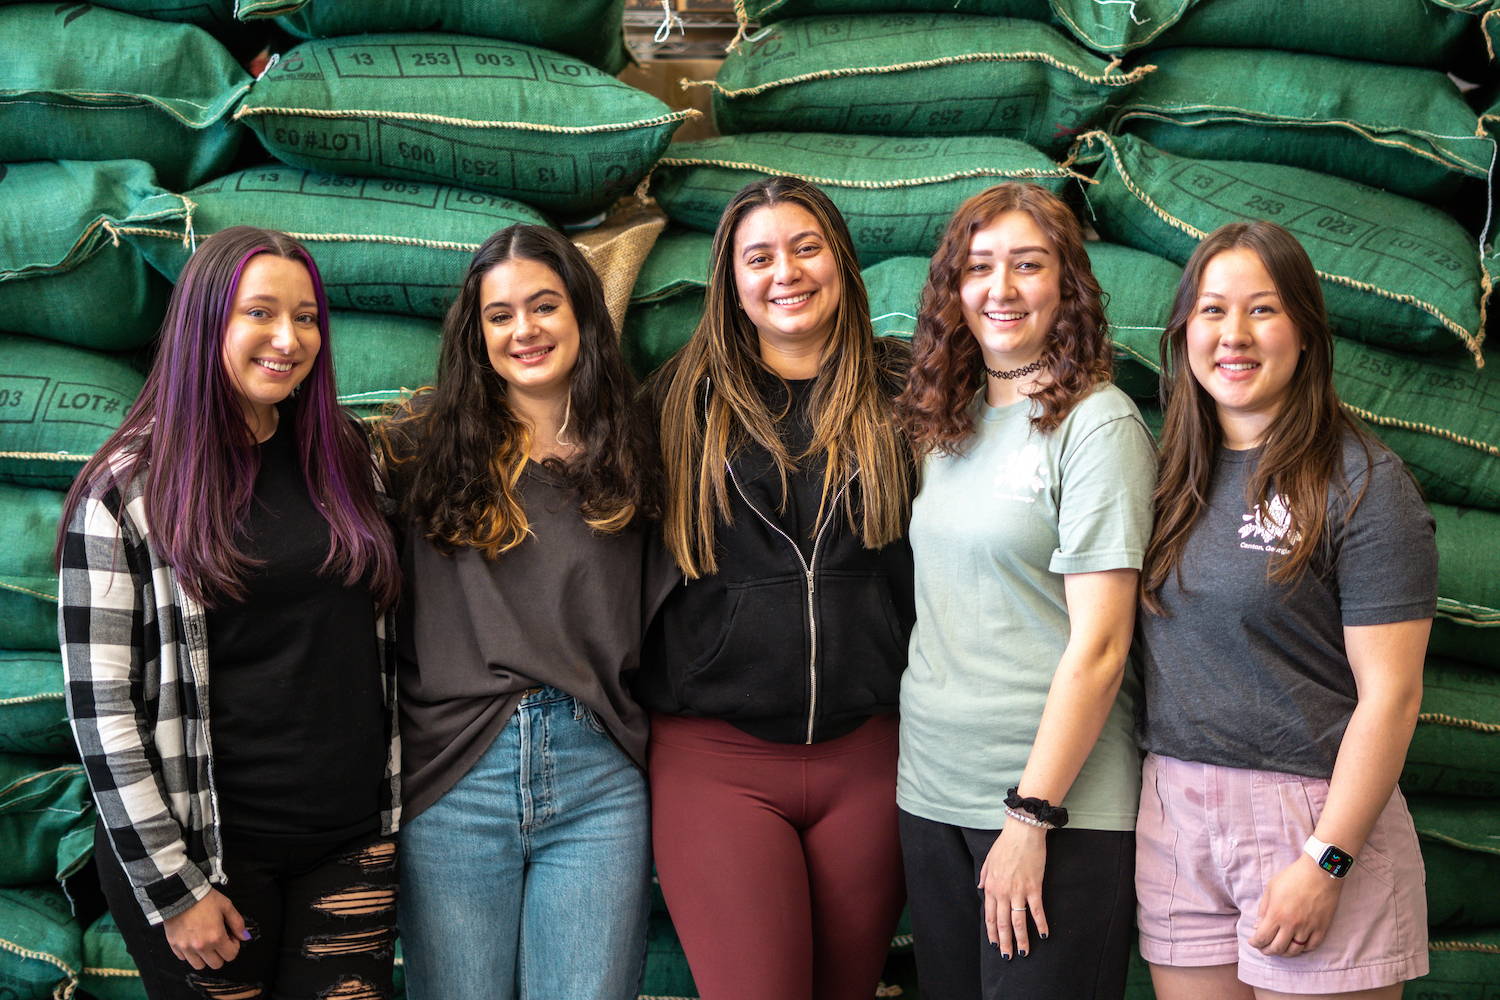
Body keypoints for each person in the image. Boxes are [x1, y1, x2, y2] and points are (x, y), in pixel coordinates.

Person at [58, 226, 403, 1000]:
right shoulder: (125, 490)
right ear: (206, 322)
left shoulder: (350, 460)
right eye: (261, 313)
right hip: (207, 852)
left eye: (308, 317)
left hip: (349, 842)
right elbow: (101, 711)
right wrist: (173, 888)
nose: (289, 339)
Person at [1134, 220, 1434, 1000]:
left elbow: (1392, 696)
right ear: (1183, 331)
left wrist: (1328, 858)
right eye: (1211, 310)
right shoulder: (1166, 476)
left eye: (1263, 310)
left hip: (1312, 815)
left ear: (1305, 330)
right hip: (1172, 811)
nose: (1234, 334)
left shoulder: (1364, 483)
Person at [637, 175, 914, 1000]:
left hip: (871, 755)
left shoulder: (908, 393)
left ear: (842, 263)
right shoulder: (677, 401)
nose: (785, 273)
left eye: (805, 248)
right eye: (758, 257)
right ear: (730, 281)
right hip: (717, 762)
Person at [381, 224, 671, 1000]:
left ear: (582, 313)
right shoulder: (418, 446)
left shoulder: (639, 447)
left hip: (598, 776)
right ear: (476, 335)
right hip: (455, 774)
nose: (525, 330)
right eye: (500, 315)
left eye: (544, 306)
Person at [892, 182, 1156, 1000]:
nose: (1000, 289)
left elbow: (1103, 646)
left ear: (1067, 284)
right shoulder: (948, 421)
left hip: (1053, 809)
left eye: (1027, 265)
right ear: (953, 291)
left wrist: (1031, 814)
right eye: (978, 268)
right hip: (932, 792)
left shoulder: (1097, 425)